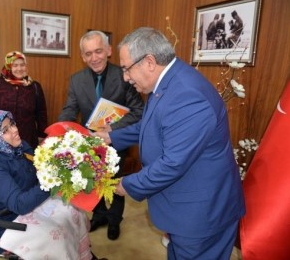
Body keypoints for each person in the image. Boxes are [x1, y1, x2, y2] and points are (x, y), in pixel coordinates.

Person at [95, 27, 245, 259]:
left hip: (202, 215)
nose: (125, 77)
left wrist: (127, 184)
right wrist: (111, 136)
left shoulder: (187, 96)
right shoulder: (168, 83)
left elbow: (173, 163)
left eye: (126, 69)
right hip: (184, 210)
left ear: (149, 62)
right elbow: (150, 125)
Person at [0, 108, 95, 259]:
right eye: (5, 130)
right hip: (2, 224)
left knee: (73, 209)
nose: (15, 130)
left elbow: (38, 167)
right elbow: (20, 204)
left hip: (23, 207)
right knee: (56, 235)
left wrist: (63, 160)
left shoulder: (19, 147)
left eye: (12, 123)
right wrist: (52, 180)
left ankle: (81, 254)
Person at [58, 30, 144, 240]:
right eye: (88, 54)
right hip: (90, 144)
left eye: (98, 51)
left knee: (114, 183)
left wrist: (112, 129)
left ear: (108, 50)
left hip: (117, 141)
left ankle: (115, 220)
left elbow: (139, 112)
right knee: (94, 181)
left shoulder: (125, 75)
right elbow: (70, 108)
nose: (94, 58)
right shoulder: (77, 80)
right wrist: (63, 126)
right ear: (82, 56)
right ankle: (99, 215)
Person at [0, 51, 47, 149]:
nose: (19, 68)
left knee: (26, 164)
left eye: (22, 65)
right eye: (15, 65)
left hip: (27, 139)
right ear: (8, 67)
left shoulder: (35, 86)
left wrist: (42, 135)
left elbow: (41, 113)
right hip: (0, 139)